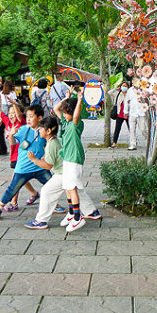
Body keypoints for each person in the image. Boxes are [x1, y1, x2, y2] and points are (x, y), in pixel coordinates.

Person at [0, 104, 51, 222]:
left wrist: (46, 157)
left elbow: (48, 144)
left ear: (40, 118)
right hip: (23, 168)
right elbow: (12, 143)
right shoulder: (23, 130)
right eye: (27, 116)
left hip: (39, 167)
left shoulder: (44, 130)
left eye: (31, 116)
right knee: (12, 189)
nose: (28, 119)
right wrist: (11, 134)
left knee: (52, 184)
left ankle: (54, 204)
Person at [55, 91, 100, 232]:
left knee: (72, 187)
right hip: (67, 158)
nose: (64, 114)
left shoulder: (76, 123)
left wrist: (79, 100)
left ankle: (77, 218)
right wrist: (66, 98)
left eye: (67, 112)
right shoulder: (66, 122)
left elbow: (75, 115)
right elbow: (56, 108)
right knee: (67, 187)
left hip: (74, 159)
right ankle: (71, 213)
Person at [107, 80, 130, 147]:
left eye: (126, 86)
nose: (124, 87)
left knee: (131, 128)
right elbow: (109, 93)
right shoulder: (118, 93)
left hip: (128, 114)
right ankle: (114, 142)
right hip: (119, 114)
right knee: (117, 128)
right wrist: (116, 89)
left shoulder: (129, 94)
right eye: (123, 86)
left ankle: (133, 142)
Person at [126, 79, 147, 152]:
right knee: (132, 129)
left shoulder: (143, 89)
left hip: (141, 113)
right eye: (133, 82)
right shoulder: (130, 90)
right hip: (132, 112)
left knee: (143, 129)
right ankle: (133, 143)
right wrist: (125, 111)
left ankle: (148, 138)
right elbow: (126, 100)